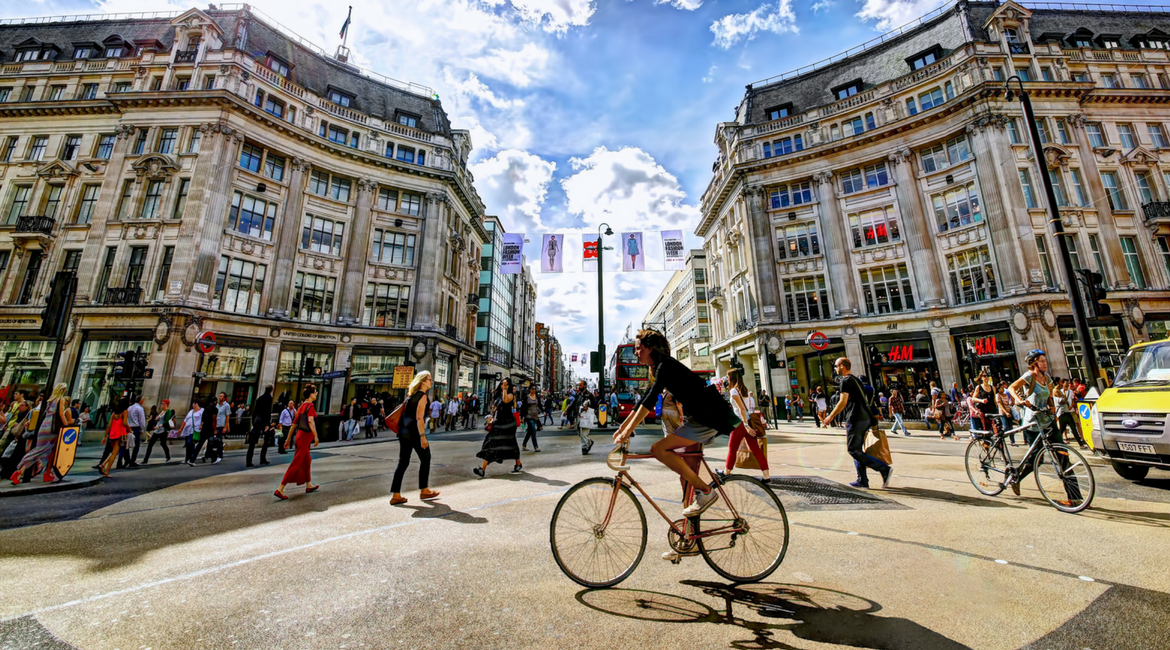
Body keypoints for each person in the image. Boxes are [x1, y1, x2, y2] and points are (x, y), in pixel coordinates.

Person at [613, 329, 748, 560]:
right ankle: (690, 540)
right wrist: (622, 427)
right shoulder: (659, 367)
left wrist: (627, 431)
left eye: (638, 348)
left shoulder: (665, 365)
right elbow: (646, 398)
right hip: (697, 417)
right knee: (685, 480)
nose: (635, 352)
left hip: (707, 416)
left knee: (658, 449)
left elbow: (649, 400)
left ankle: (706, 492)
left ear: (649, 348)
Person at [1008, 349, 1082, 504]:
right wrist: (1020, 400)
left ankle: (1074, 497)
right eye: (1041, 361)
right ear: (1034, 363)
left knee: (1063, 456)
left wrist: (1052, 407)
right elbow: (1011, 388)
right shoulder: (1029, 376)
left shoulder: (1047, 377)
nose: (1045, 363)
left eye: (1045, 360)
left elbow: (1049, 397)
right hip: (1033, 424)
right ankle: (1016, 478)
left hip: (1048, 421)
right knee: (1036, 460)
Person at [819, 358, 892, 490]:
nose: (835, 369)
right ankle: (862, 480)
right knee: (857, 450)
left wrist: (830, 416)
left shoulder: (845, 381)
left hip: (855, 418)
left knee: (852, 449)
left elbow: (842, 402)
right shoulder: (856, 380)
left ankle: (883, 469)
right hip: (865, 418)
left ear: (842, 366)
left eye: (836, 366)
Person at [390, 371, 440, 505]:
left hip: (403, 433)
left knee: (403, 462)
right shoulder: (422, 396)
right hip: (415, 433)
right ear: (423, 381)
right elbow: (419, 418)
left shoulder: (410, 396)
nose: (431, 381)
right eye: (429, 379)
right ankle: (424, 490)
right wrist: (423, 436)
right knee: (426, 459)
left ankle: (396, 495)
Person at [11, 383, 72, 484]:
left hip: (44, 426)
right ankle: (45, 472)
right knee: (52, 450)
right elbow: (61, 413)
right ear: (63, 390)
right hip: (53, 428)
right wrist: (67, 427)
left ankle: (22, 472)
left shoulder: (49, 400)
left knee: (40, 449)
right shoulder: (60, 400)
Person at [724, 368, 771, 482]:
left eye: (728, 376)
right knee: (755, 449)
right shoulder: (745, 390)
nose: (727, 378)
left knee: (732, 449)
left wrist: (745, 426)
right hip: (748, 421)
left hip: (740, 423)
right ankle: (766, 476)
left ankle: (726, 472)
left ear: (732, 378)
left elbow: (741, 409)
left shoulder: (734, 391)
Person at [275, 386, 321, 499]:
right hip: (305, 438)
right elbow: (310, 421)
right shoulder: (310, 406)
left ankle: (308, 484)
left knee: (307, 460)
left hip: (300, 436)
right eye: (315, 392)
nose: (316, 394)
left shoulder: (301, 407)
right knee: (296, 462)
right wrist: (316, 436)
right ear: (311, 394)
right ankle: (280, 488)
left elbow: (294, 425)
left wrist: (288, 439)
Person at [474, 378, 522, 477]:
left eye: (505, 384)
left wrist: (505, 389)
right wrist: (491, 417)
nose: (503, 386)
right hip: (498, 423)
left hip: (508, 424)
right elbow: (494, 408)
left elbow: (505, 400)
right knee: (491, 442)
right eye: (502, 384)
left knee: (511, 443)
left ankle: (518, 463)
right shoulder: (498, 396)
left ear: (509, 386)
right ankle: (482, 469)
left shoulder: (510, 395)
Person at [98, 397, 129, 478]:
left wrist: (105, 437)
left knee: (113, 452)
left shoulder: (114, 414)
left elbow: (109, 425)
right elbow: (125, 423)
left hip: (112, 434)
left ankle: (103, 464)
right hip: (121, 434)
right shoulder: (125, 412)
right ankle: (107, 471)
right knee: (114, 454)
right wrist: (130, 429)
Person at [247, 385, 275, 468]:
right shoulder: (269, 398)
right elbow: (268, 411)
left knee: (252, 442)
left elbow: (255, 410)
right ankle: (262, 459)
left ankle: (249, 460)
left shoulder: (260, 398)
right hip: (263, 421)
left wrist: (253, 421)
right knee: (266, 441)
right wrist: (267, 424)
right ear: (271, 390)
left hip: (257, 420)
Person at [143, 399, 174, 464]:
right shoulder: (162, 411)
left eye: (164, 404)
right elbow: (157, 419)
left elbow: (166, 420)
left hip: (163, 430)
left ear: (167, 405)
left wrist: (159, 426)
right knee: (150, 444)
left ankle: (168, 457)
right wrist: (156, 420)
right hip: (157, 430)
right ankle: (145, 460)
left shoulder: (168, 411)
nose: (162, 405)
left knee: (163, 444)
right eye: (162, 403)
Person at [521, 386, 543, 452]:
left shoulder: (537, 397)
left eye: (535, 389)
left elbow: (539, 405)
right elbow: (523, 407)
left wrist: (543, 411)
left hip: (535, 416)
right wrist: (521, 417)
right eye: (532, 389)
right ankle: (536, 446)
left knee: (529, 432)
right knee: (533, 430)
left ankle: (524, 445)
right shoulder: (526, 397)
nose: (534, 390)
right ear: (530, 389)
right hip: (528, 416)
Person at [126, 395, 146, 467]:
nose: (144, 401)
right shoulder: (140, 409)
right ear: (140, 400)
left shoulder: (130, 407)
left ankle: (127, 460)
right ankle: (132, 460)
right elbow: (142, 421)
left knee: (127, 444)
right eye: (143, 400)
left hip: (129, 427)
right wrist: (142, 429)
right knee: (136, 445)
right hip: (136, 428)